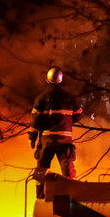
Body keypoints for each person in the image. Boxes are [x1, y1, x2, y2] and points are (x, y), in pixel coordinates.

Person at [29, 66, 82, 196]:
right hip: (65, 140)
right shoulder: (70, 98)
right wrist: (66, 122)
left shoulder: (42, 98)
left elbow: (36, 120)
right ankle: (71, 195)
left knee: (42, 168)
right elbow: (78, 115)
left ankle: (40, 196)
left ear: (47, 80)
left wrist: (32, 137)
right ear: (61, 80)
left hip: (47, 140)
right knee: (68, 170)